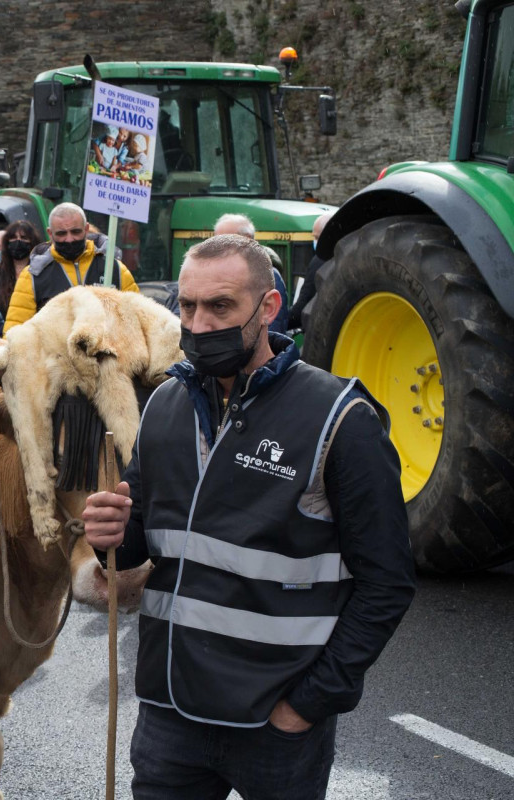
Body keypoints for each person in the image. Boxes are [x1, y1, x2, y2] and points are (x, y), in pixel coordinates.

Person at [82, 234, 415, 800]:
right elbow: (138, 547)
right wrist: (107, 533)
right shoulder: (163, 405)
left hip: (276, 729)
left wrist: (306, 706)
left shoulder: (340, 418)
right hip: (169, 718)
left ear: (267, 308)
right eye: (187, 306)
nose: (200, 324)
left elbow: (386, 584)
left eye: (220, 306)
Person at [3, 203, 139, 334]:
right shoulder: (33, 275)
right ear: (50, 233)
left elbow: (138, 318)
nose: (69, 239)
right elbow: (15, 331)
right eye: (61, 234)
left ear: (86, 229)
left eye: (75, 232)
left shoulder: (115, 269)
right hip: (55, 356)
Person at [213, 213, 290, 333]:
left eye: (225, 240)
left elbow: (273, 329)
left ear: (247, 239)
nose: (218, 247)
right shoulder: (215, 273)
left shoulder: (269, 275)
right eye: (215, 241)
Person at [0, 220, 41, 317]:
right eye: (13, 238)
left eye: (24, 238)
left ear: (32, 242)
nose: (18, 241)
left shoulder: (41, 272)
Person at [289, 212, 334, 329]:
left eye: (317, 237)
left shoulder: (320, 260)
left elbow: (305, 300)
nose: (315, 241)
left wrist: (286, 320)